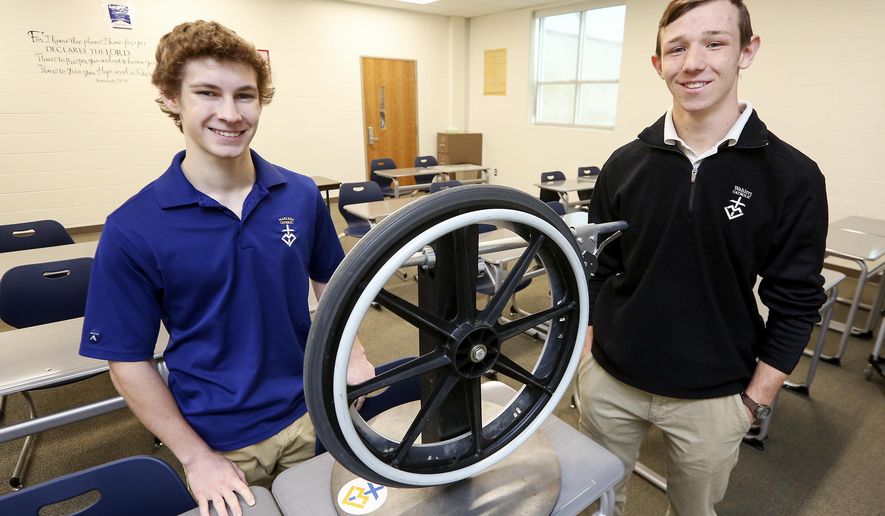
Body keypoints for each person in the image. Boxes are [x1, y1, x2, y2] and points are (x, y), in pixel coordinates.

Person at [79, 20, 375, 516]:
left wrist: (356, 353)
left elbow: (332, 279)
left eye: (246, 96)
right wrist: (196, 458)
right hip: (222, 440)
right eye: (207, 93)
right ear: (172, 97)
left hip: (316, 410)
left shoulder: (299, 195)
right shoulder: (132, 228)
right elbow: (127, 361)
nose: (230, 114)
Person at [575, 1, 828, 514]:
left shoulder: (793, 177)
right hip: (610, 382)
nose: (693, 62)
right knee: (595, 503)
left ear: (746, 51)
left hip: (715, 398)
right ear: (658, 63)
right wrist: (586, 361)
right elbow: (599, 270)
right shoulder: (624, 165)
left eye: (714, 43)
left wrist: (753, 401)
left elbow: (796, 301)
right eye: (677, 48)